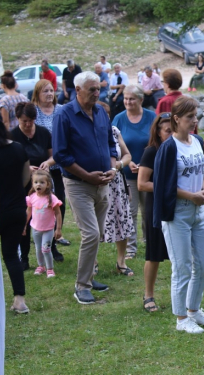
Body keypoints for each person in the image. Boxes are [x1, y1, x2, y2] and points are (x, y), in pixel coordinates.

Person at [153, 96, 204, 334]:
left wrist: (203, 188)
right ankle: (181, 319)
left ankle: (194, 310)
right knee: (182, 267)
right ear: (176, 118)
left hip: (198, 211)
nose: (194, 120)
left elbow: (201, 170)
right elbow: (163, 187)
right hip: (177, 214)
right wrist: (191, 196)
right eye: (190, 117)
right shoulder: (169, 147)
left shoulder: (197, 141)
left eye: (195, 115)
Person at [52, 71, 118, 305]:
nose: (96, 93)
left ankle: (89, 277)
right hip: (79, 184)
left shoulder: (101, 112)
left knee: (97, 234)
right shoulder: (64, 115)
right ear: (77, 90)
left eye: (98, 89)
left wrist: (112, 168)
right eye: (91, 89)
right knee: (90, 233)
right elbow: (60, 154)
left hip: (103, 182)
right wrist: (87, 176)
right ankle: (81, 287)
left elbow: (111, 143)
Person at [112, 84, 156, 259]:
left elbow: (158, 142)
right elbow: (113, 145)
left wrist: (145, 163)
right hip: (127, 174)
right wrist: (126, 162)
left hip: (149, 173)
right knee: (130, 211)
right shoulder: (118, 119)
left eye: (131, 98)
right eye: (125, 98)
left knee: (149, 210)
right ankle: (131, 248)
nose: (128, 102)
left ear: (140, 100)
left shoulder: (152, 117)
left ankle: (149, 241)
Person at [10, 102, 55, 270]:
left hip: (43, 183)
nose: (28, 124)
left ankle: (52, 248)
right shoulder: (12, 136)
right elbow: (8, 161)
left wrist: (47, 162)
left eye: (31, 120)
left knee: (47, 215)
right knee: (25, 217)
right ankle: (24, 256)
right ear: (18, 119)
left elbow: (53, 156)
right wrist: (25, 167)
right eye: (24, 121)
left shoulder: (43, 133)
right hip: (22, 183)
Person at [138, 113, 172, 312]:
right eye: (168, 131)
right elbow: (142, 184)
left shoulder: (179, 149)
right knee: (154, 254)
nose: (171, 134)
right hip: (156, 207)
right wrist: (167, 188)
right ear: (158, 133)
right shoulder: (151, 151)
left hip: (176, 205)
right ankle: (148, 295)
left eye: (173, 130)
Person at [32, 79, 68, 257]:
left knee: (58, 203)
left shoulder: (61, 110)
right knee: (38, 205)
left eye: (52, 90)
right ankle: (38, 241)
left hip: (58, 165)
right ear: (37, 93)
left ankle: (53, 243)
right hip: (39, 167)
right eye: (45, 91)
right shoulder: (34, 112)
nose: (49, 94)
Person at [0, 118, 31, 314]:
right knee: (11, 255)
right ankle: (20, 300)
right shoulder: (18, 148)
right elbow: (26, 177)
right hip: (15, 209)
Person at [101, 125, 135, 276]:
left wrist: (119, 165)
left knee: (122, 220)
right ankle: (93, 263)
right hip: (95, 181)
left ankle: (121, 262)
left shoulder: (114, 131)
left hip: (116, 183)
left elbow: (127, 155)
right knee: (93, 223)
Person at [23, 169, 62, 278]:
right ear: (32, 184)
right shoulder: (32, 197)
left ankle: (49, 269)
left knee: (46, 249)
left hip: (48, 230)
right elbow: (28, 211)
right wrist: (24, 225)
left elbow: (58, 214)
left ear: (48, 184)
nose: (38, 185)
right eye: (36, 182)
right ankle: (41, 266)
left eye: (42, 182)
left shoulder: (52, 198)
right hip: (36, 229)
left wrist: (58, 229)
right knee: (38, 249)